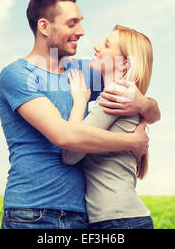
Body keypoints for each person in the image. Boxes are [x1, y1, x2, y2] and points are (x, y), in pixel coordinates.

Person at [0, 0, 161, 229]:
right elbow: (64, 136)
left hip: (83, 216)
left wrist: (143, 103)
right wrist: (132, 143)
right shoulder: (18, 75)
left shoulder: (86, 71)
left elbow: (146, 104)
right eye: (72, 24)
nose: (81, 32)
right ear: (44, 27)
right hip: (32, 212)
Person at [62, 25, 154, 229]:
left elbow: (70, 154)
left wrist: (79, 101)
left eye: (106, 45)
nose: (96, 47)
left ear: (125, 63)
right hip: (121, 218)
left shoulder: (116, 96)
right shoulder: (126, 94)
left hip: (118, 221)